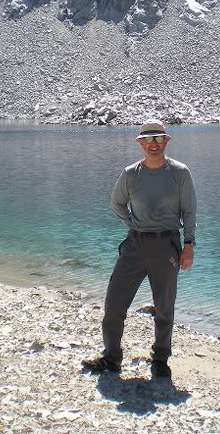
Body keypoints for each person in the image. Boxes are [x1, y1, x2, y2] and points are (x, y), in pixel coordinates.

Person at [82, 119, 197, 379]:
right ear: (140, 143)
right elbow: (117, 203)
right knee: (114, 303)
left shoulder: (180, 172)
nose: (153, 144)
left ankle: (160, 361)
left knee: (164, 307)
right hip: (134, 244)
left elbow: (189, 212)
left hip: (167, 246)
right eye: (148, 139)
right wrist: (130, 222)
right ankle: (111, 358)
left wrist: (188, 244)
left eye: (158, 139)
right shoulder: (131, 173)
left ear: (166, 141)